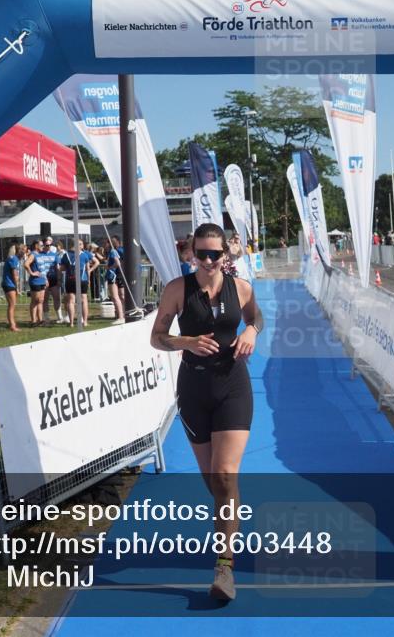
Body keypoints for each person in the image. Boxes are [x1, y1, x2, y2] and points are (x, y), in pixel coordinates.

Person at [150, 223, 263, 601]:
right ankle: (227, 525)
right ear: (191, 254)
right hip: (194, 389)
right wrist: (186, 341)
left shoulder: (241, 288)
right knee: (215, 481)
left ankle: (224, 566)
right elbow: (157, 336)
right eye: (202, 254)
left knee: (227, 473)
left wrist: (251, 332)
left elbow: (256, 318)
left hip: (233, 385)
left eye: (216, 254)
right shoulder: (177, 290)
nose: (210, 260)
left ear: (225, 255)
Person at [60, 240, 98, 327]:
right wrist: (89, 278)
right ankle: (84, 321)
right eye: (81, 244)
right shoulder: (85, 255)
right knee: (83, 300)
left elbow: (62, 268)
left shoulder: (66, 255)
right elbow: (91, 266)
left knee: (71, 301)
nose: (83, 246)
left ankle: (71, 323)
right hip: (82, 279)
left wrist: (68, 269)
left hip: (70, 279)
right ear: (78, 245)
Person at [24, 240, 48, 327]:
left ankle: (40, 319)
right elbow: (26, 264)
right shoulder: (33, 254)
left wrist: (46, 279)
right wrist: (32, 273)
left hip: (42, 280)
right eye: (41, 245)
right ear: (36, 245)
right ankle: (33, 321)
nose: (43, 246)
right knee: (35, 300)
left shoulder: (40, 255)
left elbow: (42, 269)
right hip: (35, 281)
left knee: (41, 300)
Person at [1, 243, 24, 332]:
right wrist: (17, 287)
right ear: (19, 251)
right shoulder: (13, 259)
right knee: (12, 305)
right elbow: (15, 274)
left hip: (9, 284)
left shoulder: (14, 259)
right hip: (9, 284)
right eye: (23, 250)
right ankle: (12, 325)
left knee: (12, 305)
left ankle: (12, 324)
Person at [103, 240, 126, 324]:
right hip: (114, 275)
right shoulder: (111, 252)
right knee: (119, 297)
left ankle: (121, 317)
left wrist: (109, 268)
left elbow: (117, 263)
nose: (104, 245)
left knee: (115, 297)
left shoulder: (112, 251)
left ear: (109, 244)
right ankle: (121, 315)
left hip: (113, 275)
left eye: (105, 243)